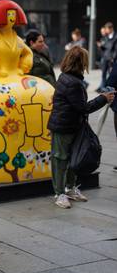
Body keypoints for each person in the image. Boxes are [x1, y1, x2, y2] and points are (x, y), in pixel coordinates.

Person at [47, 46, 114, 209]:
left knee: (71, 159)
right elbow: (83, 107)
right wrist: (103, 99)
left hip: (71, 125)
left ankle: (69, 189)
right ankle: (59, 193)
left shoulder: (68, 77)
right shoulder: (72, 82)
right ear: (81, 62)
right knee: (61, 159)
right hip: (64, 127)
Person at [98, 22, 117, 91]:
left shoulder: (115, 36)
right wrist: (101, 46)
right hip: (105, 57)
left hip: (111, 58)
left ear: (111, 28)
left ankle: (111, 88)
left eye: (107, 29)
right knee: (103, 73)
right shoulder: (106, 37)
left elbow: (116, 49)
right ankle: (103, 88)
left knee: (112, 74)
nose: (106, 31)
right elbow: (105, 47)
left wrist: (113, 57)